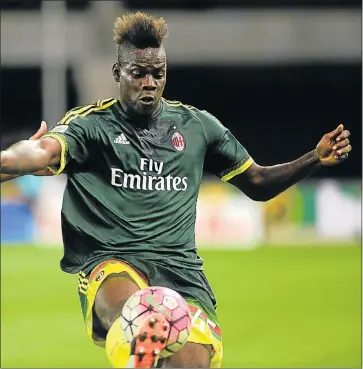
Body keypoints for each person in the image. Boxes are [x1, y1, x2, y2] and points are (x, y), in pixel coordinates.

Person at [0, 11, 352, 369]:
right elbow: (41, 151)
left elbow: (258, 183)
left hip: (182, 271)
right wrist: (9, 160)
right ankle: (141, 341)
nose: (150, 82)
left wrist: (314, 158)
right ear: (118, 73)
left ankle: (145, 350)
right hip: (113, 260)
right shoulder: (92, 126)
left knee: (192, 363)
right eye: (139, 73)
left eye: (158, 73)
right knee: (136, 308)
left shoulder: (197, 127)